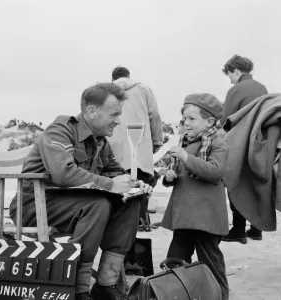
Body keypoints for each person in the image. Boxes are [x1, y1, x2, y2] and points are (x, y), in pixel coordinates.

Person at [9, 83, 153, 300]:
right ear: (92, 111)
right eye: (114, 114)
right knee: (97, 205)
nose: (118, 120)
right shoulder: (61, 130)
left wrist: (134, 185)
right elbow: (63, 174)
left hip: (74, 207)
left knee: (131, 203)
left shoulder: (101, 142)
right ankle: (77, 289)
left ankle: (106, 284)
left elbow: (115, 173)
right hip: (34, 205)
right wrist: (112, 184)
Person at [161, 93, 229, 300]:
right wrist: (169, 177)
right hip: (185, 216)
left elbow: (214, 172)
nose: (186, 124)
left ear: (209, 121)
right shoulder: (185, 143)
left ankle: (219, 295)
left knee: (210, 263)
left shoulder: (219, 144)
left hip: (206, 217)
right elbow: (177, 173)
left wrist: (186, 158)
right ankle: (176, 294)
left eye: (192, 119)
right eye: (184, 119)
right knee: (174, 259)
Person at [221, 55, 268, 243]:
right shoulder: (262, 87)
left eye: (229, 75)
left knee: (235, 182)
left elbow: (227, 120)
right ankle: (257, 229)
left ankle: (239, 230)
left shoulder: (236, 89)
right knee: (256, 184)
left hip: (241, 143)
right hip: (260, 143)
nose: (230, 79)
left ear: (236, 71)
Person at [108, 66, 163, 227]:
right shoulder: (144, 89)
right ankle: (140, 219)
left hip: (114, 146)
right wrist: (157, 141)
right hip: (140, 143)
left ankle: (117, 221)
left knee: (117, 182)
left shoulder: (107, 91)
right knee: (142, 184)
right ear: (129, 76)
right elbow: (154, 116)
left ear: (113, 78)